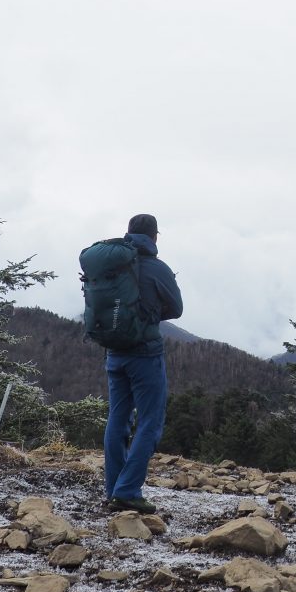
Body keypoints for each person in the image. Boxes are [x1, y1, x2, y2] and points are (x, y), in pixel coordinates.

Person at [103, 213, 183, 514]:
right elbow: (176, 308)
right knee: (150, 421)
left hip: (114, 352)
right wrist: (147, 317)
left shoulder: (112, 266)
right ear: (155, 237)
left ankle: (113, 489)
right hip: (145, 355)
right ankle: (127, 491)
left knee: (117, 419)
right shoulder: (157, 268)